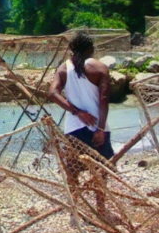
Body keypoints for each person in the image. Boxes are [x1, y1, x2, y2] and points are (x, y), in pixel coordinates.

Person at [48, 31, 115, 159]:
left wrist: (77, 112)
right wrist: (100, 129)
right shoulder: (100, 68)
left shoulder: (63, 69)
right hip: (97, 126)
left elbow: (52, 93)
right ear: (90, 49)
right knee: (105, 168)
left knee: (75, 169)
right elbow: (104, 100)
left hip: (73, 128)